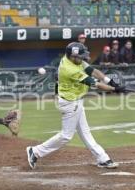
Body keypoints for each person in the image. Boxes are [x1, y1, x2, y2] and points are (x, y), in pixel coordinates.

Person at [26, 42, 125, 170]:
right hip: (70, 103)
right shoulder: (70, 69)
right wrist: (114, 89)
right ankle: (35, 151)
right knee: (66, 136)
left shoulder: (75, 60)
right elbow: (94, 83)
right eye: (80, 57)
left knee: (85, 132)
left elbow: (93, 71)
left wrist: (110, 82)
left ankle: (103, 158)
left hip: (75, 101)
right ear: (72, 56)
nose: (83, 58)